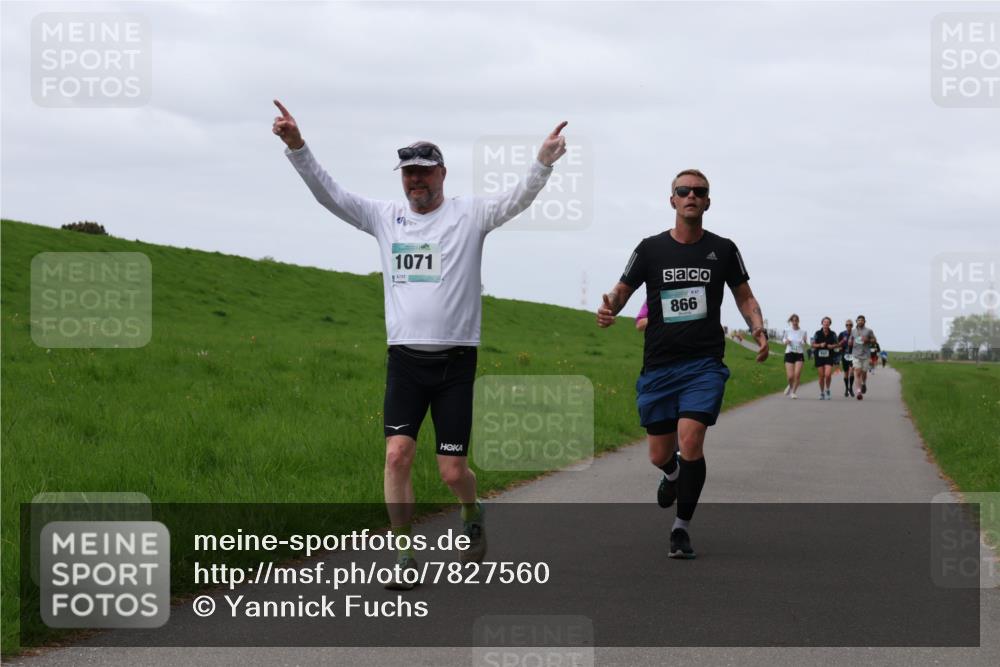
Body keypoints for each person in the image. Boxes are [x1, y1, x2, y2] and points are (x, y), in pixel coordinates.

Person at [272, 100, 568, 587]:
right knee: (396, 455)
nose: (416, 181)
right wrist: (297, 147)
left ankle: (471, 512)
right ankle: (405, 554)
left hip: (455, 362)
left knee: (453, 472)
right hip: (405, 361)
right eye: (409, 173)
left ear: (442, 174)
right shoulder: (384, 218)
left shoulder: (470, 215)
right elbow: (331, 195)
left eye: (424, 173)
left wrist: (542, 162)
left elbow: (517, 198)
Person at [596, 168, 768, 559]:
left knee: (691, 439)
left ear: (708, 202)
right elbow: (622, 290)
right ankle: (672, 476)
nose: (691, 196)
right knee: (660, 455)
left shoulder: (723, 250)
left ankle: (681, 528)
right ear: (672, 200)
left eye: (699, 191)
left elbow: (743, 295)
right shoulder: (650, 248)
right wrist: (609, 308)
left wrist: (757, 328)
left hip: (703, 364)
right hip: (659, 365)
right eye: (683, 191)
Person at [781, 314, 808, 399]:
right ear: (791, 321)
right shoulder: (787, 330)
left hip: (799, 354)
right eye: (793, 320)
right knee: (790, 376)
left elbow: (804, 342)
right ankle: (790, 385)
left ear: (798, 321)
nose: (795, 322)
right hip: (789, 353)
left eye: (796, 320)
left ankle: (793, 392)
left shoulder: (803, 331)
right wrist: (786, 341)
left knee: (797, 374)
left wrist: (803, 342)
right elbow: (783, 339)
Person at [811, 316, 839, 400]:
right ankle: (822, 392)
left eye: (828, 322)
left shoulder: (833, 334)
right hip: (819, 356)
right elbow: (812, 344)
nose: (826, 323)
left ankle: (827, 390)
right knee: (821, 376)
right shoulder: (817, 333)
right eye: (824, 322)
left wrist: (832, 346)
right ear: (822, 323)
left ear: (830, 324)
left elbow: (837, 344)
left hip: (829, 356)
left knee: (827, 375)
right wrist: (819, 345)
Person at [851, 315, 876, 400]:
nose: (860, 321)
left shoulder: (869, 331)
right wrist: (850, 342)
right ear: (856, 321)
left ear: (865, 321)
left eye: (862, 320)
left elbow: (874, 340)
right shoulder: (853, 331)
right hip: (855, 354)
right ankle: (858, 392)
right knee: (857, 372)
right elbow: (850, 341)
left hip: (866, 355)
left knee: (864, 373)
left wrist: (868, 340)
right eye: (859, 320)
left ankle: (864, 383)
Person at [839, 319, 856, 397]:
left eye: (850, 325)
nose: (848, 326)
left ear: (852, 326)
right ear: (845, 326)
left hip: (853, 355)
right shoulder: (842, 334)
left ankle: (851, 388)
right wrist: (842, 342)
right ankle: (846, 389)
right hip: (844, 355)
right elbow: (837, 344)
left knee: (852, 371)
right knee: (846, 373)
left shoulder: (855, 334)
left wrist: (853, 343)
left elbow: (859, 343)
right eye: (847, 325)